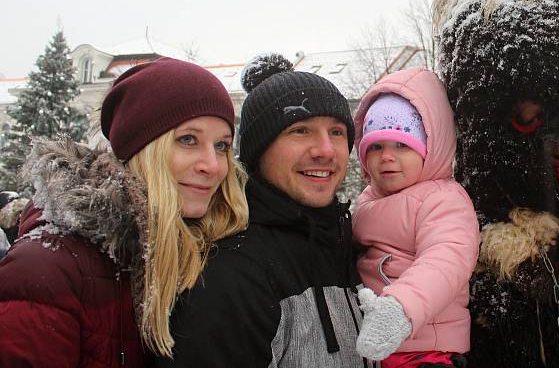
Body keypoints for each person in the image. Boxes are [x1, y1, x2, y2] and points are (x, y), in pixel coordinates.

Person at [0, 57, 249, 367]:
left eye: (223, 146)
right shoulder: (48, 267)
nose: (212, 166)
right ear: (141, 149)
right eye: (188, 139)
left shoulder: (209, 249)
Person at [156, 53, 368, 367]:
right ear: (259, 150)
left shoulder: (350, 247)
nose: (325, 150)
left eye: (336, 132)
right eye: (300, 130)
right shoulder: (231, 274)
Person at [351, 68, 480, 367]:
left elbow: (445, 261)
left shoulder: (443, 199)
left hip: (425, 347)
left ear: (429, 150)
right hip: (375, 345)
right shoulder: (367, 200)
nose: (387, 156)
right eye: (377, 146)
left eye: (402, 145)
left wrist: (400, 308)